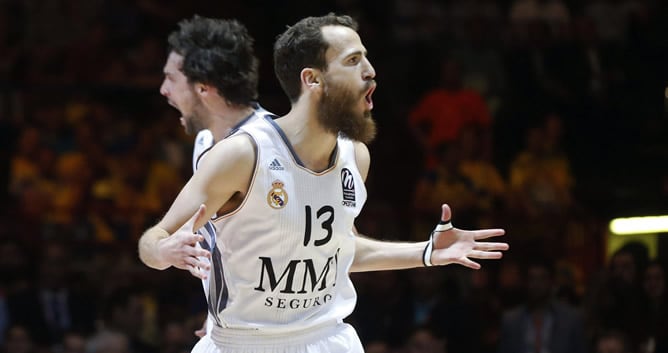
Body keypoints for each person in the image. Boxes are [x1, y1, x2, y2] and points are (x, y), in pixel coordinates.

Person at [138, 13, 508, 353]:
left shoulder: (355, 157)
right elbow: (151, 242)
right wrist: (165, 252)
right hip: (242, 343)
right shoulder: (242, 155)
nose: (370, 71)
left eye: (366, 58)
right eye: (352, 61)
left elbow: (336, 251)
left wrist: (426, 253)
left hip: (327, 339)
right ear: (312, 79)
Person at [157, 15, 275, 337]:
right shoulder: (205, 142)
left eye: (171, 78)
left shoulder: (275, 149)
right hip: (234, 329)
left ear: (203, 89)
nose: (163, 90)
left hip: (285, 334)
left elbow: (324, 250)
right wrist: (220, 312)